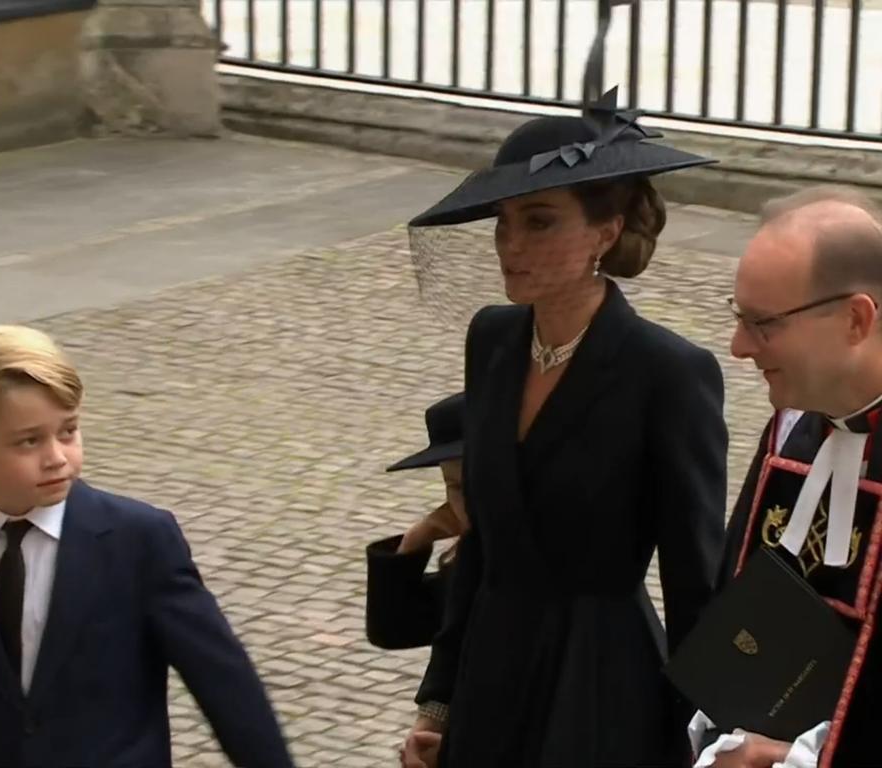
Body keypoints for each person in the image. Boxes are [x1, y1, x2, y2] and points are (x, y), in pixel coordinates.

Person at [399, 89, 730, 768]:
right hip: (492, 672)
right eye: (503, 222)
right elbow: (483, 543)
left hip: (599, 680)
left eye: (541, 222)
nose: (511, 245)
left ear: (604, 234)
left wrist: (704, 736)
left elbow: (695, 578)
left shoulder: (668, 372)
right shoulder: (492, 339)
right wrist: (439, 700)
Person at [0, 325, 293, 768]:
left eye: (68, 431)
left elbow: (227, 688)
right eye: (29, 440)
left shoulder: (138, 541)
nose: (57, 457)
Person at [692, 186, 882, 768]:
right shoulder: (792, 431)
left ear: (855, 319)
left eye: (763, 324)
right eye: (738, 318)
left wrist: (798, 758)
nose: (738, 347)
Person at [366, 392, 468, 650]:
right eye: (455, 487)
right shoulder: (467, 562)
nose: (469, 504)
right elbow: (394, 631)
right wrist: (417, 538)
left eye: (482, 482)